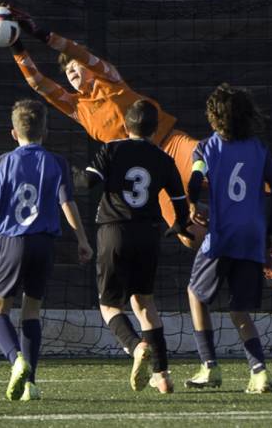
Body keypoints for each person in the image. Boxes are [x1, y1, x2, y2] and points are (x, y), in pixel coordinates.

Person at [3, 4, 272, 297]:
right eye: (67, 71)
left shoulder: (110, 80)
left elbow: (78, 51)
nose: (72, 74)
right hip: (152, 173)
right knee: (189, 235)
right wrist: (17, 46)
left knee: (231, 172)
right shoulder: (79, 110)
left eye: (75, 67)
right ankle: (265, 260)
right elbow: (39, 84)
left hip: (172, 145)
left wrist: (39, 33)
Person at [76, 99, 191, 394]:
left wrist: (71, 175)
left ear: (126, 127)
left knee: (109, 305)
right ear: (155, 129)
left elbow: (88, 183)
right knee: (144, 302)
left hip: (114, 232)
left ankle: (134, 345)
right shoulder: (163, 158)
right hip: (148, 234)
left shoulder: (113, 149)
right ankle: (163, 375)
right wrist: (178, 225)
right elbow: (179, 202)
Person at [0, 99, 93, 401]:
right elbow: (66, 203)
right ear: (45, 132)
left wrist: (3, 223)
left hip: (13, 241)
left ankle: (16, 359)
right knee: (31, 310)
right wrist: (82, 240)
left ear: (13, 132)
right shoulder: (56, 162)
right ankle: (30, 383)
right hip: (44, 243)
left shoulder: (3, 162)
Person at [183, 83, 272, 394]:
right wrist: (271, 231)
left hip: (222, 235)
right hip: (252, 236)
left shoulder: (206, 148)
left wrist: (190, 202)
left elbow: (196, 178)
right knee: (239, 309)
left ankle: (209, 366)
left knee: (195, 294)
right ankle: (260, 372)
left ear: (214, 117)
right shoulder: (259, 149)